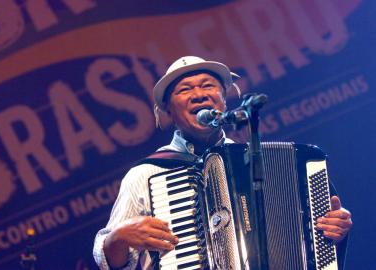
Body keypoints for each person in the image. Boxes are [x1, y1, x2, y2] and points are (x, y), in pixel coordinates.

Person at [93, 56, 353, 269]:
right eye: (185, 90)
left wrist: (333, 229)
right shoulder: (147, 173)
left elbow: (317, 240)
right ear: (168, 112)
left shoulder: (257, 160)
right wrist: (118, 237)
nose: (198, 95)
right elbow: (110, 264)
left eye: (208, 86)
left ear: (223, 98)